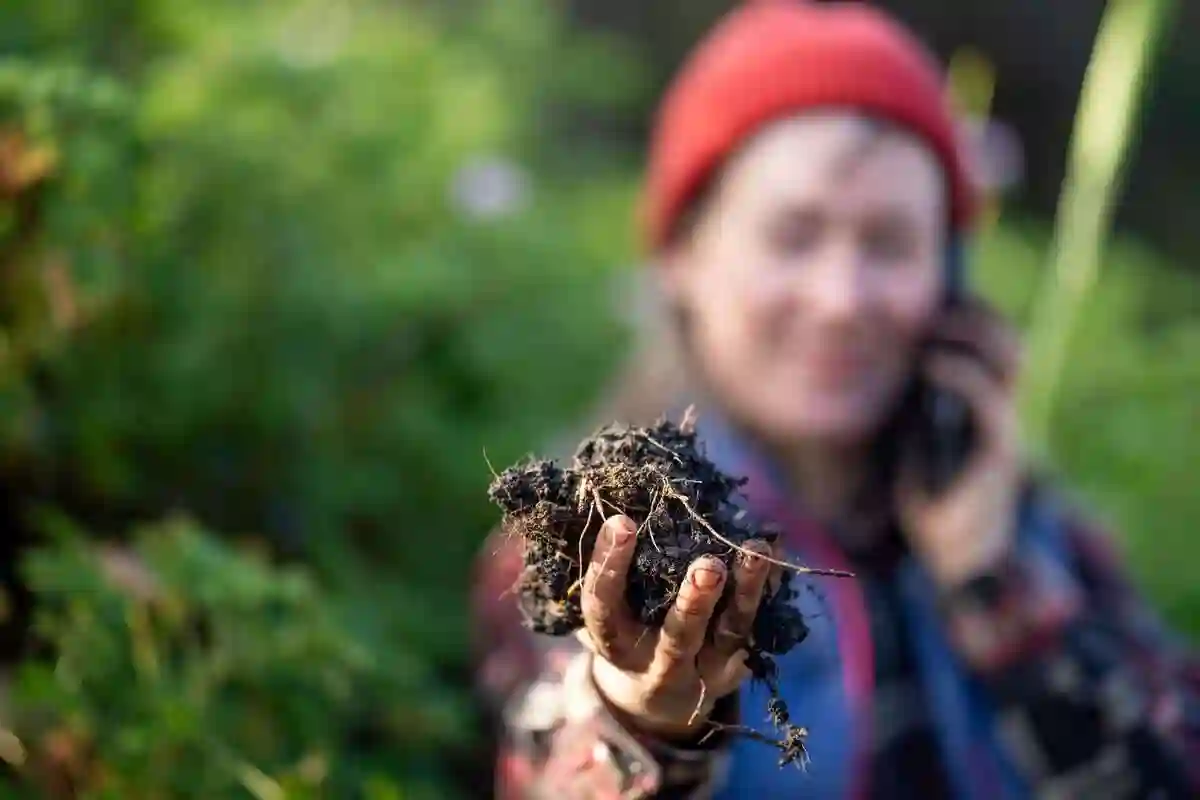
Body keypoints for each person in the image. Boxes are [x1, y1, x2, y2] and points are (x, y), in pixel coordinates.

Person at [470, 2, 1200, 797]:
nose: (842, 299)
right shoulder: (597, 531)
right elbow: (540, 765)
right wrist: (640, 722)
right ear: (684, 254)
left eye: (890, 243)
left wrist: (993, 582)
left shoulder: (1047, 547)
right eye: (792, 235)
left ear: (947, 279)